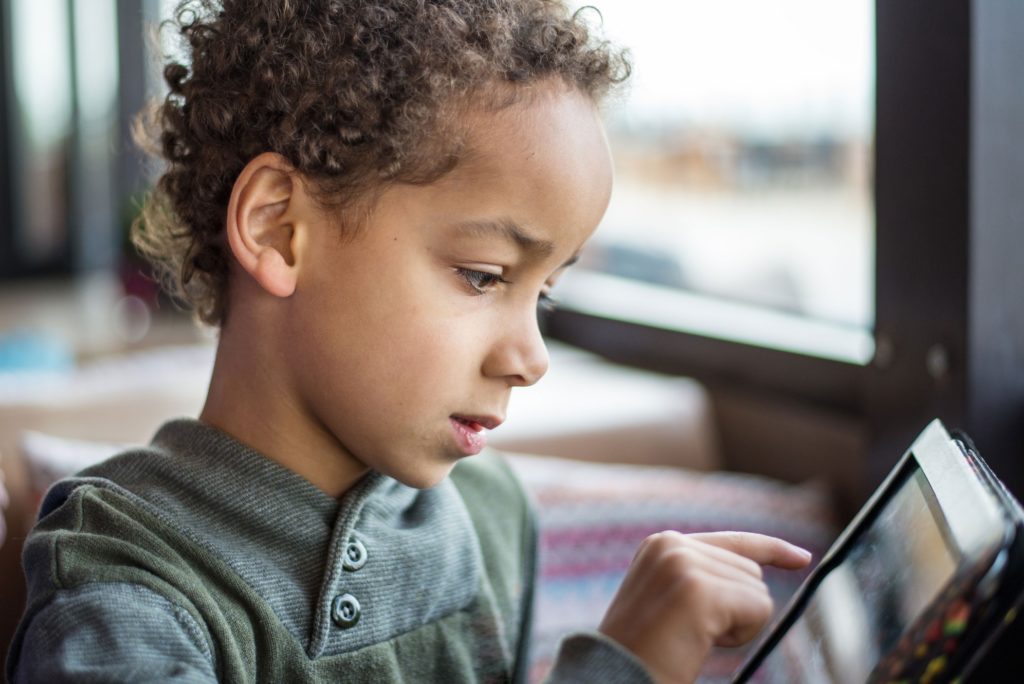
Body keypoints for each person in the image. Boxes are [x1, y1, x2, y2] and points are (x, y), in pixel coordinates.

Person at [8, 1, 811, 682]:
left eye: (548, 291)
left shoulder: (492, 518)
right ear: (280, 230)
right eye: (484, 275)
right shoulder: (125, 585)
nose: (530, 359)